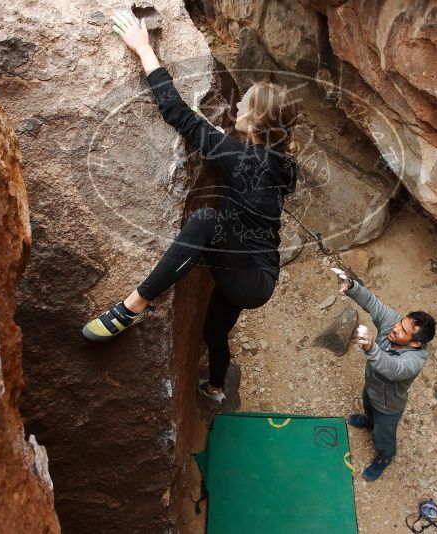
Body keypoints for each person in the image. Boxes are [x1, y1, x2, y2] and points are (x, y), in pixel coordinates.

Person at [83, 11, 299, 404]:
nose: (238, 105)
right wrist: (223, 137)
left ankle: (134, 305)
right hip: (259, 272)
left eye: (244, 104)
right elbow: (246, 156)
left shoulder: (238, 154)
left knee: (204, 221)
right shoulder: (281, 160)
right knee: (214, 333)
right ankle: (216, 389)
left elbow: (176, 113)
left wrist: (144, 49)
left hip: (249, 276)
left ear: (252, 119)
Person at [331, 267, 436, 481]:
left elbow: (393, 368)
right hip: (372, 389)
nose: (395, 328)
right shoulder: (393, 325)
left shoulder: (415, 360)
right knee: (368, 406)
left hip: (389, 407)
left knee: (383, 435)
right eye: (400, 323)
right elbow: (372, 303)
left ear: (415, 343)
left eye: (403, 331)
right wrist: (352, 286)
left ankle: (385, 457)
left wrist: (371, 348)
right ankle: (369, 420)